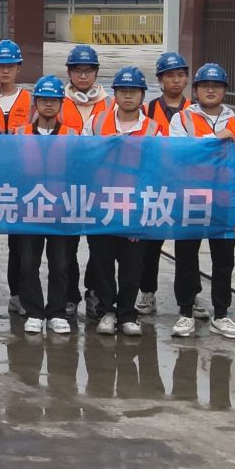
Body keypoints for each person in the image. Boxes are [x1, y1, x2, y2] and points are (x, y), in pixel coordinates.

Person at [165, 63, 235, 341]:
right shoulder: (182, 120)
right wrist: (214, 139)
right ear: (196, 90)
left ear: (225, 90)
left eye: (216, 86)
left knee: (223, 262)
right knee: (186, 259)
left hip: (225, 202)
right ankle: (186, 312)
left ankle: (221, 314)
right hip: (191, 200)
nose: (210, 90)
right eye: (205, 86)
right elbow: (181, 156)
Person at [82, 65, 155, 337]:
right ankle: (107, 311)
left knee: (132, 265)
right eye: (123, 91)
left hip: (134, 207)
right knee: (102, 263)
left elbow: (157, 171)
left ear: (142, 95)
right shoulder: (96, 123)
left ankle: (127, 314)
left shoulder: (153, 129)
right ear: (114, 94)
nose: (128, 96)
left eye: (133, 91)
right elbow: (82, 158)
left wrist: (143, 213)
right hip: (101, 205)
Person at [15, 75, 78, 335]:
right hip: (29, 210)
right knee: (28, 263)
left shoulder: (72, 135)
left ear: (62, 103)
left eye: (54, 100)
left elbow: (79, 172)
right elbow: (9, 169)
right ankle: (34, 311)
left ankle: (56, 312)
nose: (48, 104)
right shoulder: (19, 134)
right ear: (36, 103)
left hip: (61, 211)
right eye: (43, 100)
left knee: (60, 264)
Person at [141, 50, 193, 315]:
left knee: (188, 246)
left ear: (187, 79)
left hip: (186, 189)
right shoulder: (147, 110)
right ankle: (147, 292)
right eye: (169, 75)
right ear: (160, 80)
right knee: (151, 245)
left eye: (180, 75)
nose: (175, 80)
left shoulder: (195, 111)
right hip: (156, 187)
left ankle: (190, 297)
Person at [58, 43, 107, 318]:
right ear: (69, 72)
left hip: (100, 187)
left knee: (99, 248)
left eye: (89, 70)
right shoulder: (57, 101)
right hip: (67, 186)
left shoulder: (110, 103)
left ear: (96, 72)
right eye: (78, 70)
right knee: (66, 248)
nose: (84, 76)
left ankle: (94, 292)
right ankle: (69, 296)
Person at [0, 40, 33, 319]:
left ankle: (18, 294)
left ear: (18, 68)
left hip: (22, 181)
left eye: (10, 65)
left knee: (20, 243)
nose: (5, 70)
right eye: (0, 65)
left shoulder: (31, 100)